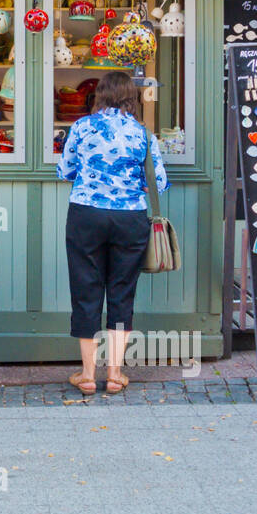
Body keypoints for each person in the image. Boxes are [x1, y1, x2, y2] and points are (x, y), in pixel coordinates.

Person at [56, 71, 168, 395]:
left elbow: (65, 170)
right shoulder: (143, 134)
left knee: (86, 290)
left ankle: (88, 375)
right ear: (131, 98)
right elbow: (158, 182)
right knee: (121, 293)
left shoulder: (82, 128)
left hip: (86, 214)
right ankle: (115, 374)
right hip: (129, 217)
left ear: (100, 96)